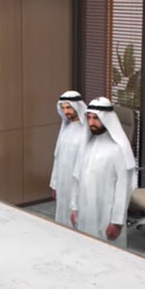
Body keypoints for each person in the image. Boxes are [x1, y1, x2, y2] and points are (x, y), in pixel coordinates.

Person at [68, 97, 137, 247]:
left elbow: (123, 189)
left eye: (96, 118)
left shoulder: (118, 150)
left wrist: (117, 221)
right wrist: (74, 207)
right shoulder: (87, 145)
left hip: (106, 216)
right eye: (89, 118)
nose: (91, 122)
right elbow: (77, 178)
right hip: (85, 211)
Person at [49, 90, 88, 224]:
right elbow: (57, 158)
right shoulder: (65, 129)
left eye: (69, 107)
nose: (66, 112)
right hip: (63, 182)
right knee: (62, 216)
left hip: (79, 183)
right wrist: (54, 183)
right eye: (63, 108)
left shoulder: (87, 131)